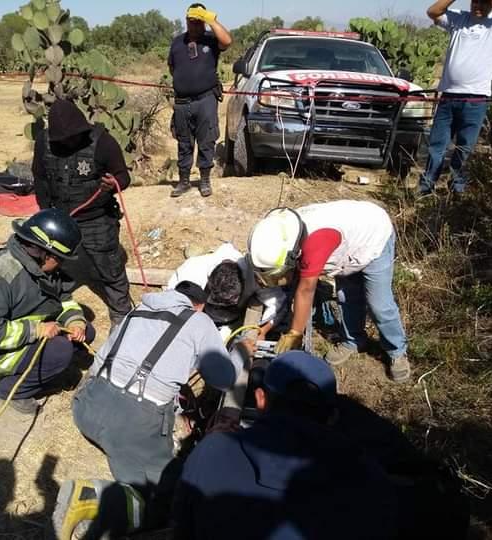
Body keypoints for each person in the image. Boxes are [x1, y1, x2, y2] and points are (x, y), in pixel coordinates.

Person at [62, 282, 250, 533]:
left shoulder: (137, 310)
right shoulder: (199, 321)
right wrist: (241, 353)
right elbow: (223, 379)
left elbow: (99, 362)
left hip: (87, 409)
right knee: (168, 494)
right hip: (130, 426)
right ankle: (91, 498)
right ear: (199, 306)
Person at [172, 351, 401, 540]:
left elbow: (182, 527)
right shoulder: (368, 476)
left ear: (260, 399)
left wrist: (217, 444)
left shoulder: (211, 454)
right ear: (332, 417)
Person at [247, 201, 411, 383]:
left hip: (374, 239)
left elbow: (306, 290)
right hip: (345, 247)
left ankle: (397, 350)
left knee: (379, 304)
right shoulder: (278, 231)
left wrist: (294, 333)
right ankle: (353, 340)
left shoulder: (314, 242)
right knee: (346, 297)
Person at [0, 208, 95, 415]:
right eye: (60, 258)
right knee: (60, 351)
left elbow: (63, 299)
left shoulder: (41, 268)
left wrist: (75, 321)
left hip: (21, 327)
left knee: (87, 331)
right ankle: (13, 390)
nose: (62, 263)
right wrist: (37, 330)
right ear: (45, 252)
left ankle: (46, 368)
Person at [32, 99, 131, 328]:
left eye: (73, 137)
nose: (68, 142)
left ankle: (121, 313)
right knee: (52, 264)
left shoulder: (103, 143)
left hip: (96, 218)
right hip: (59, 218)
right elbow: (40, 178)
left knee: (109, 266)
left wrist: (114, 183)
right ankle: (53, 306)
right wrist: (46, 212)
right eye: (62, 140)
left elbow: (123, 176)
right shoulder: (43, 143)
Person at [418, 0, 492, 195]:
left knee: (464, 148)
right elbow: (433, 11)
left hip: (476, 99)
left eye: (484, 2)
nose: (479, 6)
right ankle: (426, 188)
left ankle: (458, 191)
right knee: (437, 145)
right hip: (449, 96)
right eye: (475, 0)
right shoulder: (458, 18)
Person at [168, 3, 232, 198]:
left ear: (203, 23)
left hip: (205, 100)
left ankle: (204, 180)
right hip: (182, 102)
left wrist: (210, 19)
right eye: (191, 21)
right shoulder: (177, 42)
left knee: (206, 141)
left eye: (198, 22)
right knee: (184, 143)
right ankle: (184, 181)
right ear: (186, 21)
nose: (194, 26)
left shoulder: (211, 40)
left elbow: (227, 41)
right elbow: (172, 67)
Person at [166, 242, 287, 337]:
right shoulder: (191, 271)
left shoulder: (255, 277)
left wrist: (263, 330)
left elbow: (278, 305)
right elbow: (169, 300)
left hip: (233, 322)